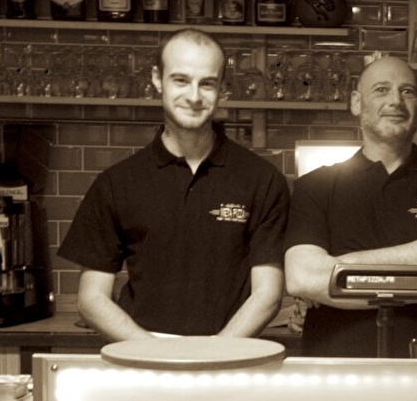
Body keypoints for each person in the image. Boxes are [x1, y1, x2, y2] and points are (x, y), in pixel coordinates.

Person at [58, 28, 289, 340]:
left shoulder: (262, 180)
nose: (194, 96)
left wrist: (217, 353)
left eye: (207, 83)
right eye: (181, 80)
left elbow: (268, 295)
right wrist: (155, 353)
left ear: (222, 87)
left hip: (230, 352)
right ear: (157, 79)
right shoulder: (116, 183)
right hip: (142, 353)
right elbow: (91, 299)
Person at [284, 55, 417, 356]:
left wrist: (337, 268)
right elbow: (303, 277)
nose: (395, 101)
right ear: (356, 102)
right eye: (381, 90)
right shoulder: (315, 186)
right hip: (338, 367)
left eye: (407, 91)